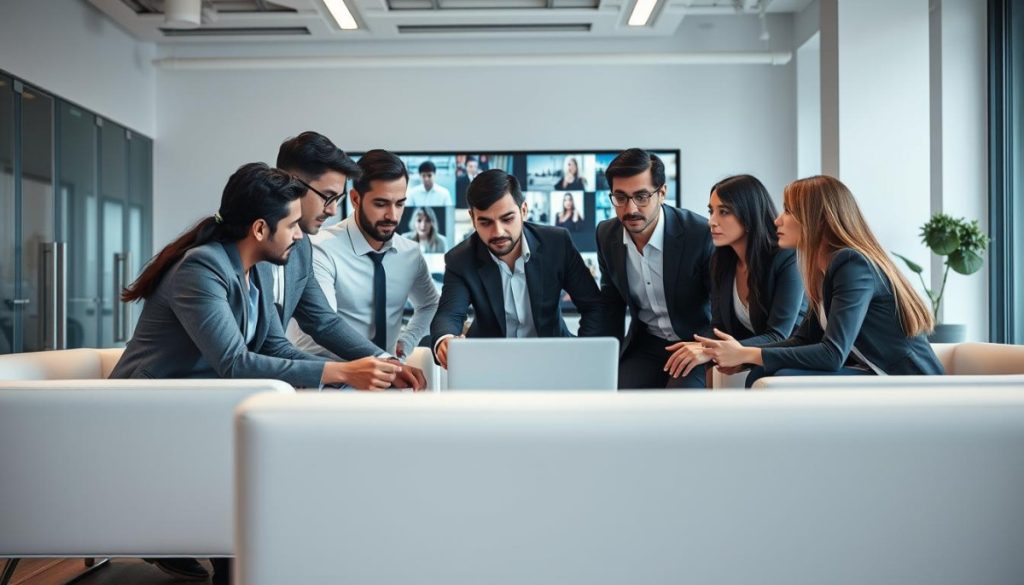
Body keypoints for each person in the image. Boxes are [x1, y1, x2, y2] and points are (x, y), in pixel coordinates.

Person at [111, 164, 419, 581]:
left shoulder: (252, 271)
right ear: (260, 228)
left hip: (201, 409)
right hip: (148, 413)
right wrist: (343, 373)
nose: (299, 235)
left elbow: (275, 345)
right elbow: (234, 362)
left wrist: (367, 370)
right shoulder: (200, 269)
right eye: (291, 225)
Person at [697, 175, 944, 386]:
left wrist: (748, 353)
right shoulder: (825, 269)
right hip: (875, 374)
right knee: (762, 372)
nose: (777, 220)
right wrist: (744, 357)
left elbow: (832, 354)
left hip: (906, 381)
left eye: (789, 211)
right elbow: (803, 340)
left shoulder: (852, 264)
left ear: (819, 219)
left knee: (776, 375)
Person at [272, 131, 426, 388]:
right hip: (214, 397)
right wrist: (342, 373)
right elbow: (240, 357)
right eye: (327, 196)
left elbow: (322, 323)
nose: (333, 209)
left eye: (400, 204)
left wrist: (388, 362)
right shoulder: (229, 259)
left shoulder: (300, 249)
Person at [430, 169, 605, 369]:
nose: (498, 232)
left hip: (554, 358)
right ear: (472, 218)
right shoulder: (460, 259)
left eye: (507, 219)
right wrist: (445, 340)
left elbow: (594, 306)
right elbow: (448, 314)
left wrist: (583, 353)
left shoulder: (557, 243)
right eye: (485, 222)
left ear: (523, 210)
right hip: (490, 365)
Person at [289, 150, 440, 361]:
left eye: (400, 203)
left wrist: (406, 342)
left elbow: (430, 304)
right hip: (328, 384)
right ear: (355, 199)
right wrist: (383, 362)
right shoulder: (320, 249)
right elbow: (325, 325)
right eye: (381, 204)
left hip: (387, 380)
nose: (393, 216)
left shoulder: (410, 254)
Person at [663, 175, 806, 380]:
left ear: (749, 216)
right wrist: (701, 347)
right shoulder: (721, 261)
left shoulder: (787, 257)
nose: (711, 222)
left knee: (752, 375)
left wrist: (711, 350)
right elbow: (718, 326)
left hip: (791, 355)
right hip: (753, 353)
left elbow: (779, 334)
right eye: (711, 211)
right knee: (683, 364)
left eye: (724, 212)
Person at [595, 148, 714, 389]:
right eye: (620, 198)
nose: (630, 209)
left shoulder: (699, 233)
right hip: (645, 345)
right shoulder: (606, 234)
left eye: (641, 197)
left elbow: (723, 308)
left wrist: (705, 345)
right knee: (613, 402)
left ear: (662, 193)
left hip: (694, 343)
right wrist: (597, 358)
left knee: (675, 411)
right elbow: (611, 304)